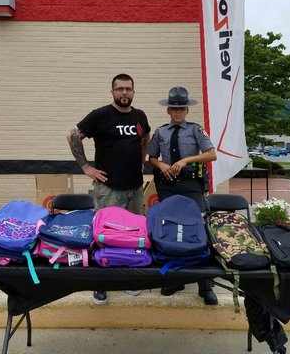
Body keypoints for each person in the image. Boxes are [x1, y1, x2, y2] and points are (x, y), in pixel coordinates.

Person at [67, 73, 151, 305]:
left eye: (128, 89)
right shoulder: (100, 115)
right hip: (109, 188)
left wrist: (142, 160)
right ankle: (101, 284)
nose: (124, 92)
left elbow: (146, 136)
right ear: (112, 92)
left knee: (134, 236)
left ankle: (131, 279)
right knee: (104, 236)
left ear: (133, 91)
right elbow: (73, 135)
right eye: (120, 89)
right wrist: (85, 167)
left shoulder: (140, 116)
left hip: (134, 187)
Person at [147, 86, 218, 305]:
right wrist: (161, 165)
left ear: (187, 110)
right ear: (168, 110)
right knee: (168, 229)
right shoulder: (161, 132)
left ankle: (205, 285)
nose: (177, 112)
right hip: (167, 185)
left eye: (181, 109)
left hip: (191, 185)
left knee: (199, 228)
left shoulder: (196, 130)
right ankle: (174, 278)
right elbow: (151, 156)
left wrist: (186, 160)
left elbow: (211, 154)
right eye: (174, 109)